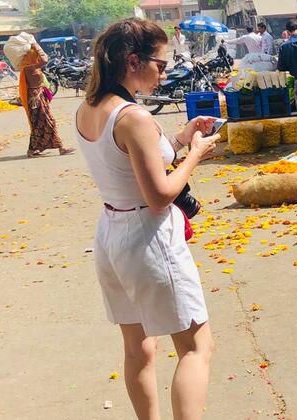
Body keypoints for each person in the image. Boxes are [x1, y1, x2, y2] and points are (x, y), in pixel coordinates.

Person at [75, 18, 217, 418]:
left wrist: (181, 138)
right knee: (195, 347)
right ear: (134, 60)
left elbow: (129, 164)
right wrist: (195, 155)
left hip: (113, 236)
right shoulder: (133, 116)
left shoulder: (89, 108)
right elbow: (158, 195)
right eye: (161, 63)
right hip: (148, 239)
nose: (164, 72)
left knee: (139, 348)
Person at [18, 41, 75, 157]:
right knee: (48, 122)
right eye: (34, 54)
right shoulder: (30, 67)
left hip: (38, 98)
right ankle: (61, 148)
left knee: (39, 124)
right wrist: (37, 47)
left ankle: (33, 149)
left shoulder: (29, 66)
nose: (36, 56)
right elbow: (45, 60)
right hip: (36, 100)